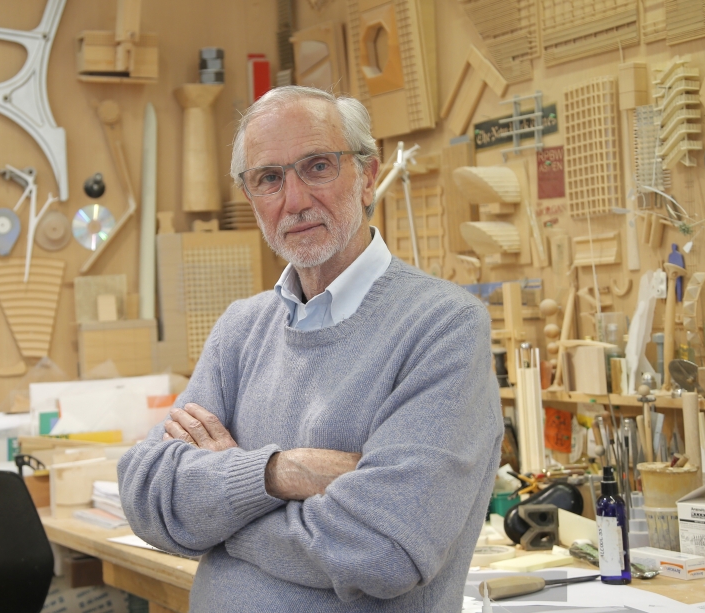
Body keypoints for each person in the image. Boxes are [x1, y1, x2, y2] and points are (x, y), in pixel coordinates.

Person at [118, 86, 502, 612]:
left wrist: (221, 513)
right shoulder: (240, 330)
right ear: (251, 197)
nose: (293, 200)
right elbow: (147, 494)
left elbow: (386, 549)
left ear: (367, 177)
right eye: (269, 178)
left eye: (317, 166)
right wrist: (278, 473)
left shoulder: (444, 327)